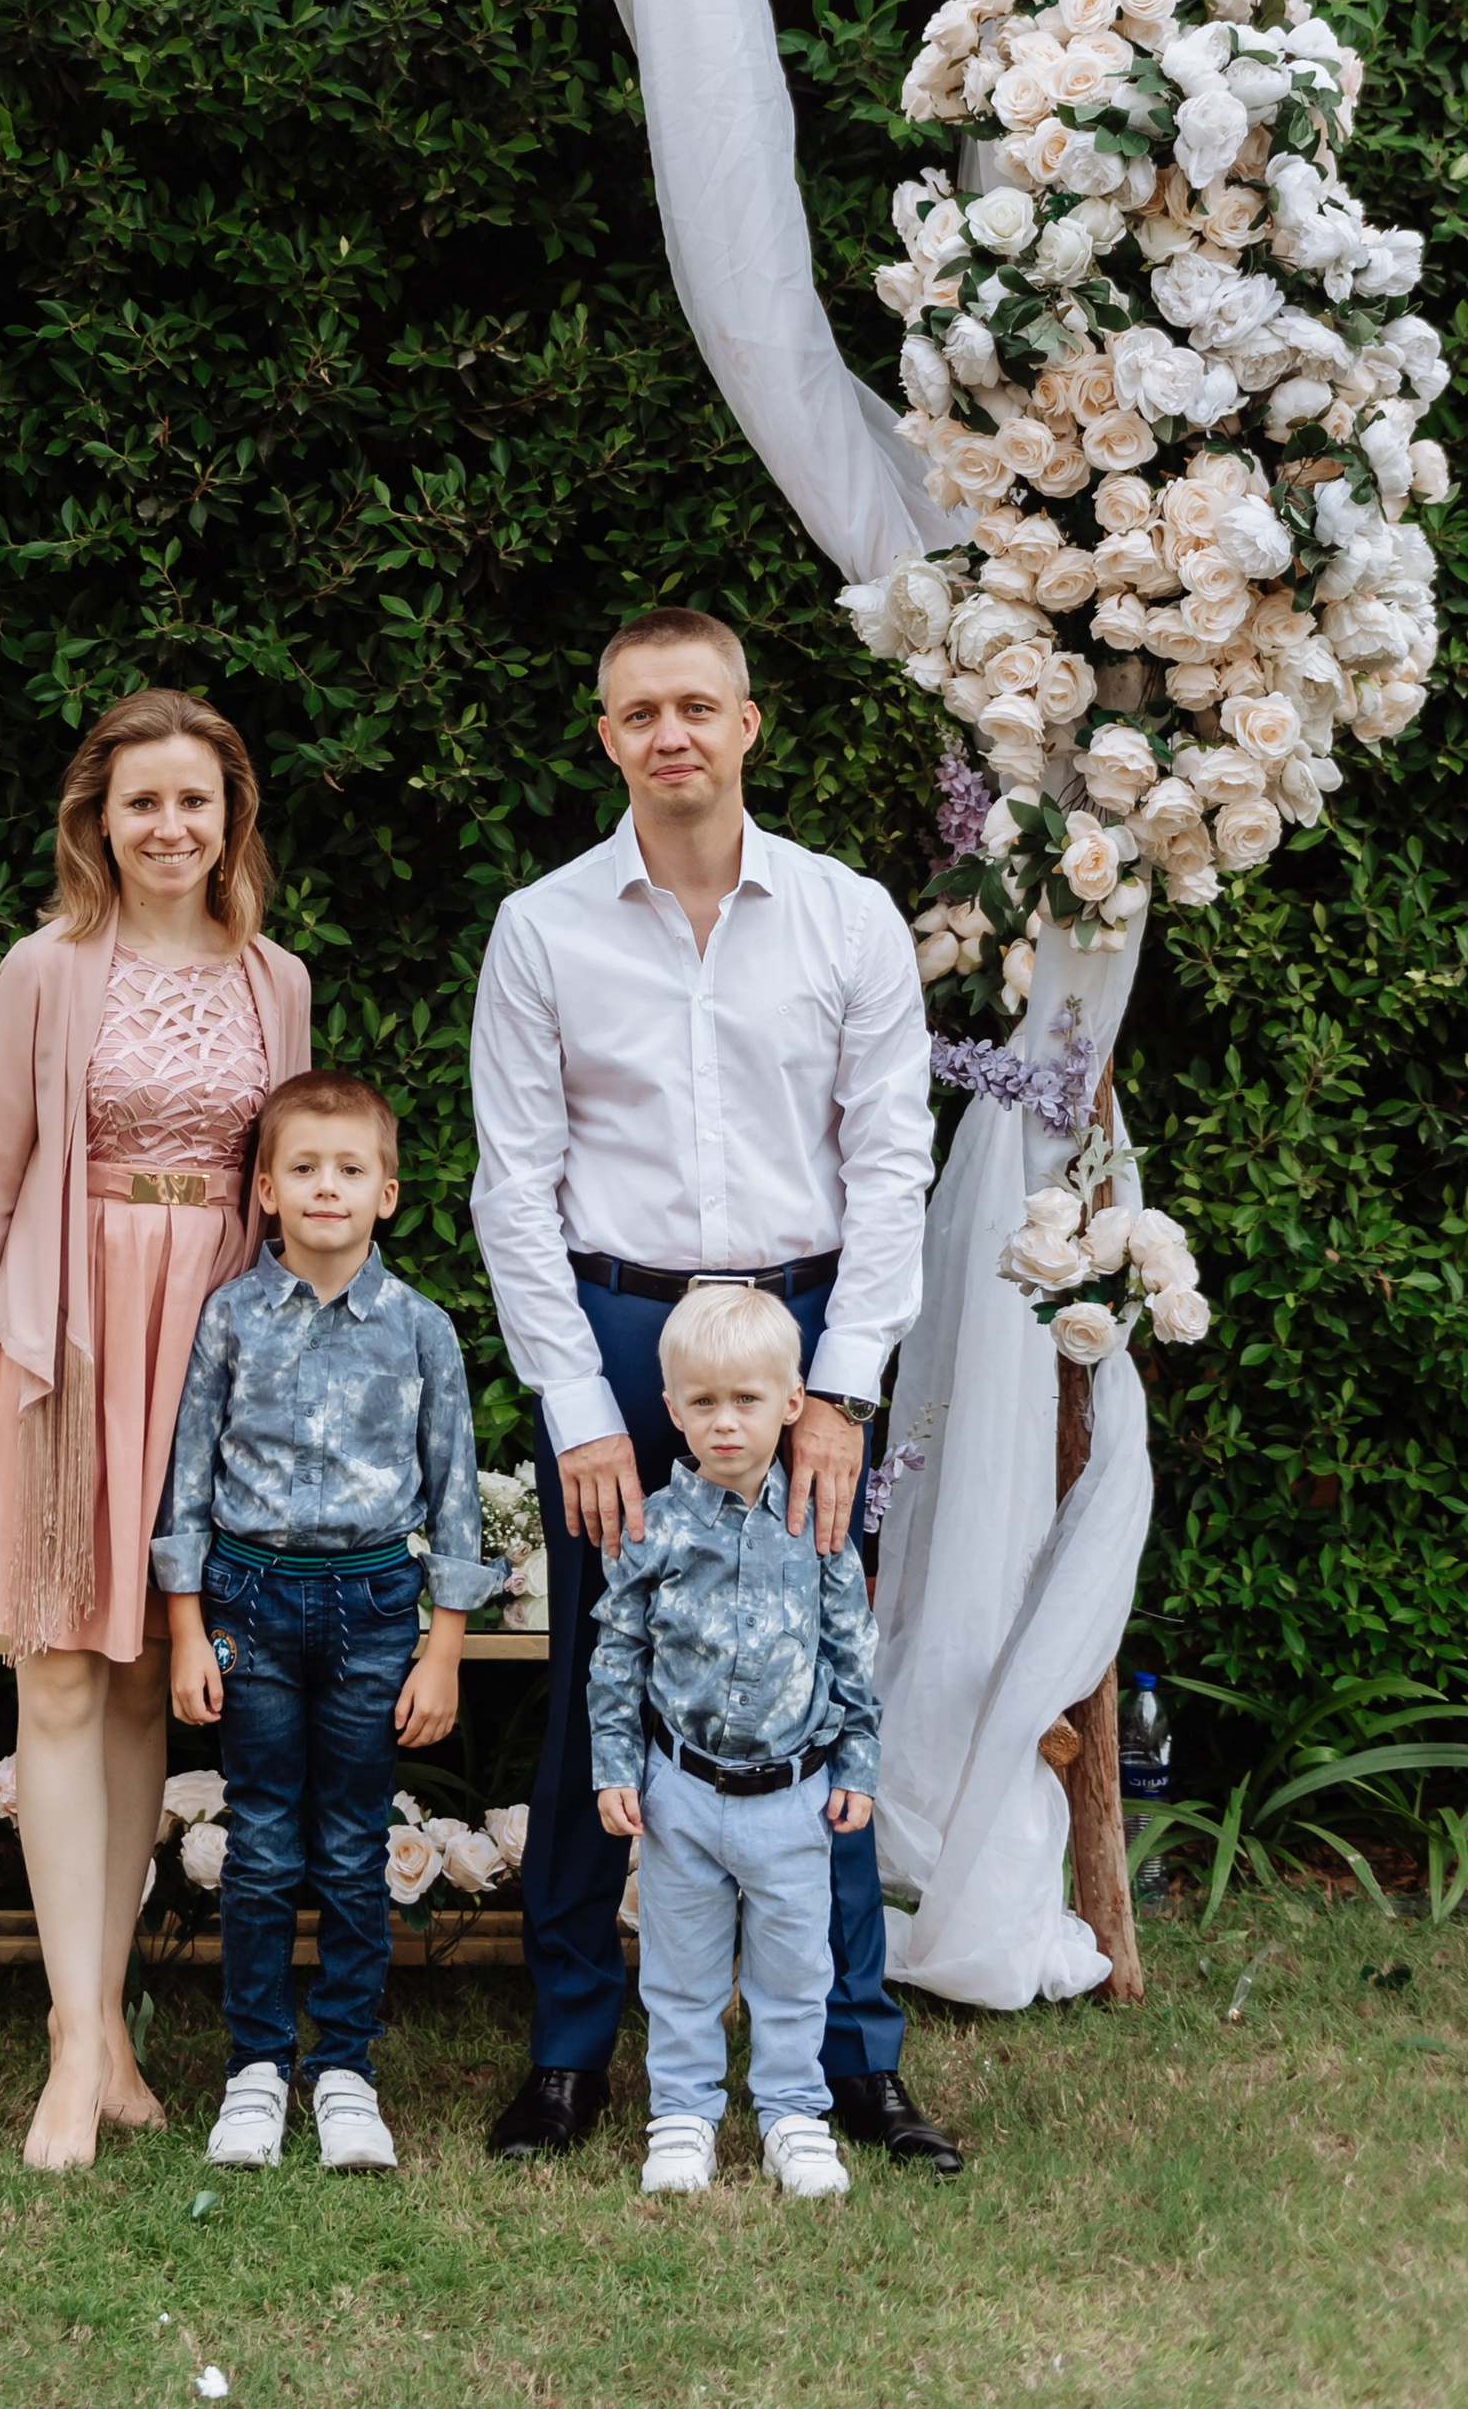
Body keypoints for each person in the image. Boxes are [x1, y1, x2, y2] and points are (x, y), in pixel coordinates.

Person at [468, 605, 963, 2174]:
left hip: (803, 1326)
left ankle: (849, 2059)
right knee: (590, 1696)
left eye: (698, 704)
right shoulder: (542, 926)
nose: (669, 732)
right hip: (617, 1332)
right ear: (606, 734)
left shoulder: (846, 914)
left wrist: (845, 1388)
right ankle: (569, 2052)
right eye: (638, 711)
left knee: (822, 1685)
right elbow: (512, 1187)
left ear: (749, 723)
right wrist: (580, 1408)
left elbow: (893, 1167)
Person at [0, 688, 310, 2172]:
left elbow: (288, 1183)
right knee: (66, 1673)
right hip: (66, 1333)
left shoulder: (280, 979)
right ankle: (75, 2040)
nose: (169, 826)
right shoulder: (48, 968)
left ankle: (110, 2023)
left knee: (151, 1677)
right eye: (141, 801)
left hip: (205, 1340)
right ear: (100, 817)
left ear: (231, 818)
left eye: (194, 801)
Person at [155, 1072, 496, 2176]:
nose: (326, 1186)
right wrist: (184, 1624)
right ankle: (255, 2067)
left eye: (349, 1168)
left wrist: (442, 1647)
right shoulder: (229, 1318)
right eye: (301, 1167)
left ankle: (344, 2068)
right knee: (259, 1848)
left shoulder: (422, 1331)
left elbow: (452, 1497)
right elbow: (188, 1480)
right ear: (263, 1189)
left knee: (351, 1849)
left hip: (371, 1611)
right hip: (248, 1605)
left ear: (388, 1192)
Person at [589, 1282, 881, 2201]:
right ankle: (681, 2112)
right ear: (670, 1407)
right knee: (681, 1967)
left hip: (794, 1793)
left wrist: (858, 1762)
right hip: (682, 1792)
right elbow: (617, 1653)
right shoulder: (653, 1525)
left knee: (796, 1967)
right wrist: (615, 1768)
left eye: (747, 1401)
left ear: (793, 1403)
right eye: (703, 1402)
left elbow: (850, 1647)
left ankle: (794, 2112)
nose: (725, 1424)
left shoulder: (817, 1521)